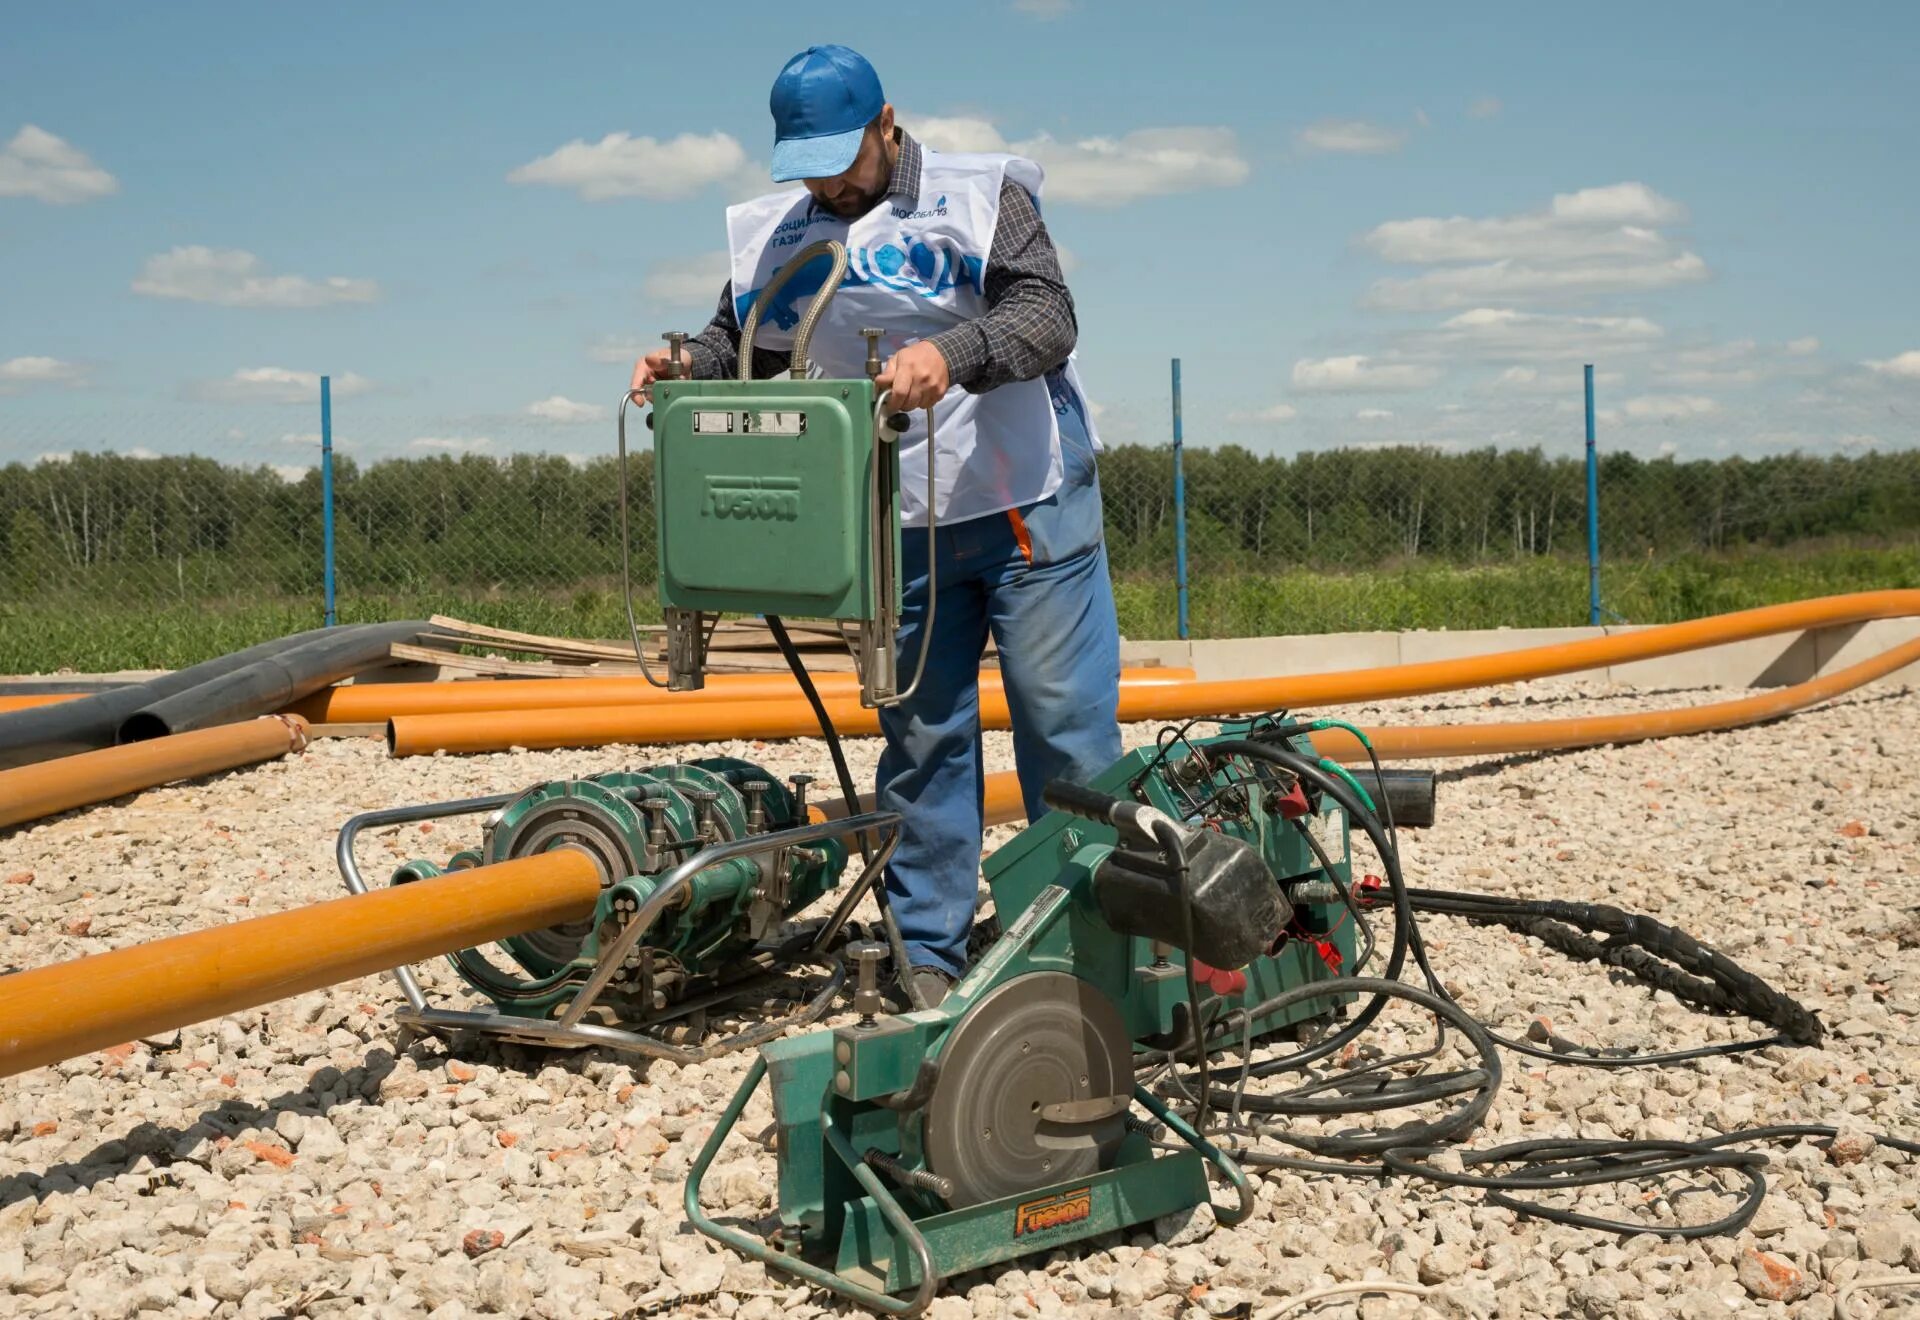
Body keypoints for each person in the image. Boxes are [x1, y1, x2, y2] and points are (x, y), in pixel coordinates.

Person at [629, 44, 1121, 1008]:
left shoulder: (983, 197)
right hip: (895, 518)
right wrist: (685, 357)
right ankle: (928, 952)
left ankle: (1093, 942)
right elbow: (747, 343)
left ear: (886, 124)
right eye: (804, 162)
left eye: (840, 157)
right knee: (922, 732)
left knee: (1063, 727)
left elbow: (1047, 316)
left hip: (1024, 497)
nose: (824, 181)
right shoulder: (778, 235)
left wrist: (956, 348)